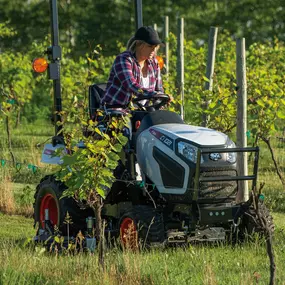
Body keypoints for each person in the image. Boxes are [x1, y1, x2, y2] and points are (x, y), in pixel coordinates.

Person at [101, 26, 165, 109]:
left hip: (141, 111)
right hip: (116, 111)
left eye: (155, 47)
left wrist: (162, 99)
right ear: (138, 44)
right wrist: (153, 94)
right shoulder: (124, 60)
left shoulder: (154, 63)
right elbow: (131, 86)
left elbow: (159, 89)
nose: (153, 50)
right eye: (150, 46)